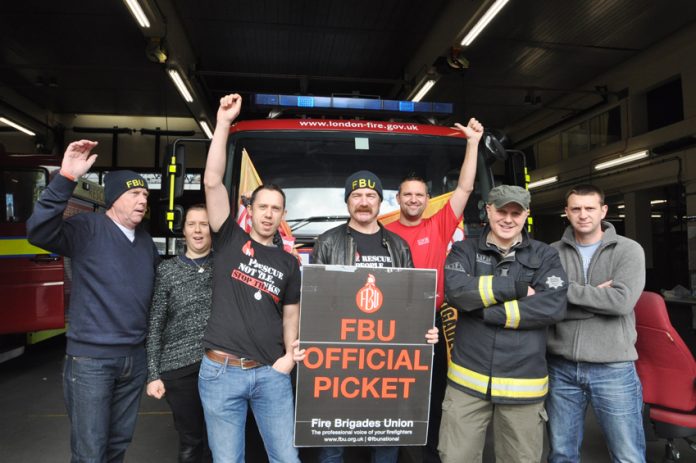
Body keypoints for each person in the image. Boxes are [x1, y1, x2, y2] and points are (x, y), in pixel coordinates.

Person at [27, 140, 159, 462]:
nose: (142, 200)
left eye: (145, 194)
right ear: (114, 198)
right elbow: (38, 232)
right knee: (90, 452)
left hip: (133, 359)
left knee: (116, 447)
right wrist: (66, 177)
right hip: (91, 362)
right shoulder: (88, 228)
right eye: (134, 194)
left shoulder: (145, 242)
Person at [309, 169, 439, 463]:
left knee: (385, 436)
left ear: (381, 202)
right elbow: (315, 302)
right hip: (339, 360)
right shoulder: (327, 243)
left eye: (370, 195)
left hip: (384, 361)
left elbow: (410, 302)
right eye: (356, 195)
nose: (364, 201)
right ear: (347, 202)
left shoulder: (398, 245)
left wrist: (424, 329)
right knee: (333, 439)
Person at [198, 93, 301, 463]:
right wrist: (223, 123)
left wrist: (289, 359)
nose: (269, 214)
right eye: (263, 207)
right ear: (250, 210)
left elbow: (291, 316)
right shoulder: (228, 238)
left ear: (282, 214)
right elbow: (212, 182)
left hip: (271, 374)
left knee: (286, 459)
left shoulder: (289, 264)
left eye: (276, 209)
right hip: (220, 372)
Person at [440, 185, 567, 463]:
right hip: (468, 383)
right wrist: (519, 288)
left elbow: (553, 306)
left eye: (516, 213)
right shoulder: (464, 250)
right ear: (488, 210)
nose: (508, 219)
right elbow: (457, 292)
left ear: (526, 215)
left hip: (523, 383)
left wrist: (488, 312)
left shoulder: (545, 256)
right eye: (501, 211)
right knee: (454, 457)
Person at [385, 118, 483, 462]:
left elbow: (465, 190)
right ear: (397, 199)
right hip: (389, 325)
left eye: (419, 195)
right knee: (390, 393)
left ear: (428, 199)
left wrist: (472, 142)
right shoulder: (383, 230)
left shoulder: (439, 224)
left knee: (433, 393)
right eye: (407, 195)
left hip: (431, 323)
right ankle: (390, 451)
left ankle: (428, 455)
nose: (413, 200)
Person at [547, 184, 646, 462]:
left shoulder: (628, 250)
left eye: (590, 208)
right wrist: (597, 298)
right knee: (561, 454)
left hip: (613, 366)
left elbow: (621, 303)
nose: (583, 215)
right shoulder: (551, 253)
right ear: (566, 212)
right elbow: (546, 306)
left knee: (628, 455)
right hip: (561, 367)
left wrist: (566, 290)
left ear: (603, 211)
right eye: (576, 208)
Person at [146, 204, 213, 463]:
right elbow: (155, 324)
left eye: (204, 224)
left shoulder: (225, 266)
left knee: (219, 438)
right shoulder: (167, 271)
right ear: (183, 230)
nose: (198, 230)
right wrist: (153, 374)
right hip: (178, 368)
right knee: (191, 439)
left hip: (219, 366)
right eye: (192, 224)